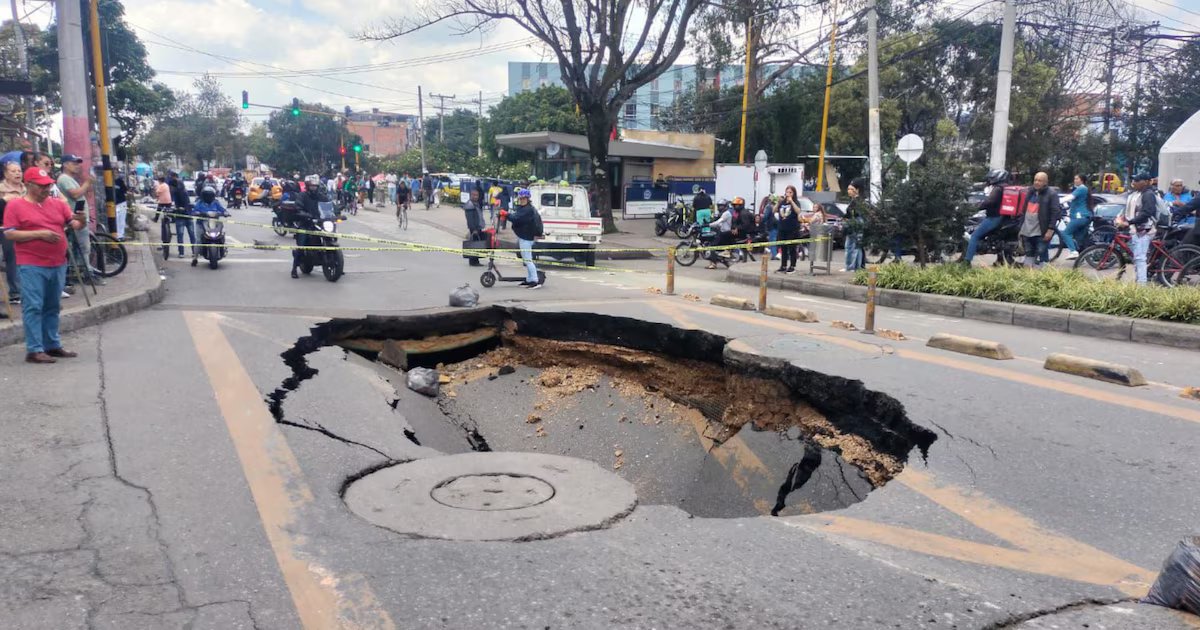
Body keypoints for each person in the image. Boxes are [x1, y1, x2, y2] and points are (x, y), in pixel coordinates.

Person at [3, 166, 86, 363]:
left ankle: (52, 344)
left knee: (53, 305)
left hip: (57, 262)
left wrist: (80, 221)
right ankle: (34, 349)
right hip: (31, 263)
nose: (46, 189)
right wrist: (39, 234)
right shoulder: (15, 206)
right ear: (29, 185)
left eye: (48, 185)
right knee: (33, 306)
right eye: (41, 186)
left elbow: (72, 224)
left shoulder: (58, 204)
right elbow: (10, 233)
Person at [1117, 172, 1158, 285]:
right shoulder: (1135, 194)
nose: (1133, 182)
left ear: (1145, 182)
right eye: (1133, 180)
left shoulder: (1148, 194)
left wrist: (1129, 222)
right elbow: (1129, 210)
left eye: (1136, 180)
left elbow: (1147, 212)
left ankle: (1142, 285)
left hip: (1144, 230)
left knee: (1140, 258)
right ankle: (1139, 280)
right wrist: (1122, 218)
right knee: (1137, 257)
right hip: (1135, 229)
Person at [964, 169, 1010, 265]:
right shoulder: (1004, 187)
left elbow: (990, 202)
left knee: (974, 236)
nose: (990, 179)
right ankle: (1000, 260)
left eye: (992, 177)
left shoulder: (997, 189)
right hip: (1001, 217)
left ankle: (967, 262)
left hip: (994, 217)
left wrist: (978, 206)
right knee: (996, 238)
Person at [56, 155, 93, 274]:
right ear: (65, 164)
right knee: (83, 248)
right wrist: (87, 183)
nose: (77, 166)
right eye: (74, 163)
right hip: (74, 218)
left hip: (80, 218)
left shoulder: (70, 179)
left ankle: (81, 272)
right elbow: (75, 194)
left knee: (81, 248)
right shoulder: (64, 179)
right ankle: (87, 273)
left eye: (78, 163)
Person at [1020, 172, 1060, 269]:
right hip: (1027, 231)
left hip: (1041, 231)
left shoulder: (1051, 194)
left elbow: (1055, 212)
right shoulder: (1030, 192)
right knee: (1028, 255)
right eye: (1035, 180)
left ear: (1045, 182)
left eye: (1040, 180)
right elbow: (1024, 210)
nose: (1037, 182)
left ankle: (1043, 277)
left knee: (1042, 255)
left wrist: (1050, 229)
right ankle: (1028, 277)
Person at [291, 175, 328, 278]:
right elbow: (298, 206)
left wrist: (337, 209)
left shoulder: (321, 196)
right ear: (308, 186)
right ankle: (294, 269)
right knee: (302, 244)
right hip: (306, 223)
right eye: (312, 186)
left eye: (315, 186)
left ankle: (335, 263)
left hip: (319, 222)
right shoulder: (302, 196)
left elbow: (329, 203)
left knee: (331, 235)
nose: (314, 188)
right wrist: (303, 213)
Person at [504, 188, 542, 288]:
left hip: (526, 237)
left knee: (528, 260)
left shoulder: (527, 210)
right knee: (526, 259)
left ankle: (534, 280)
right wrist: (508, 215)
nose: (522, 200)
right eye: (521, 198)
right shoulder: (524, 208)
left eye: (524, 199)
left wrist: (506, 215)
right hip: (524, 236)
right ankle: (529, 279)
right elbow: (516, 216)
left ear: (528, 199)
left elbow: (516, 218)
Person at [1, 159, 25, 305]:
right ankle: (15, 292)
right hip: (5, 228)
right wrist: (5, 200)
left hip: (25, 227)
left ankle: (25, 289)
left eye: (19, 171)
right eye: (13, 171)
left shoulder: (26, 188)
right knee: (12, 259)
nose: (17, 173)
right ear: (5, 174)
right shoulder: (1, 189)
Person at [1061, 174, 1091, 260]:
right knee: (1079, 239)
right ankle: (1082, 255)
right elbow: (1070, 200)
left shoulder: (1082, 188)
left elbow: (1069, 197)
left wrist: (1056, 201)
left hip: (1080, 217)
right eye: (1074, 179)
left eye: (1077, 179)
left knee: (1066, 233)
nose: (1075, 180)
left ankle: (1073, 252)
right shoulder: (1082, 189)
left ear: (1082, 180)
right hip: (1084, 217)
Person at [842, 178, 868, 272]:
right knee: (857, 246)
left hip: (855, 224)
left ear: (857, 190)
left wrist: (846, 217)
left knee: (851, 246)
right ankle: (857, 267)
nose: (849, 191)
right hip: (858, 224)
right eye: (848, 189)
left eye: (851, 189)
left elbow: (853, 213)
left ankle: (851, 267)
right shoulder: (858, 200)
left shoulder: (857, 201)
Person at [168, 171, 194, 257]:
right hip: (186, 214)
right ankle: (191, 251)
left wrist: (179, 208)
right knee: (189, 234)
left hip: (183, 215)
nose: (170, 188)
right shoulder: (179, 189)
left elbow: (184, 203)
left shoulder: (180, 192)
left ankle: (183, 252)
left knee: (183, 234)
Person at [777, 186, 802, 273]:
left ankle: (792, 266)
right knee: (783, 248)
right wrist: (778, 202)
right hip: (782, 228)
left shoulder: (796, 202)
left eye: (790, 192)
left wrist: (791, 202)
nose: (788, 194)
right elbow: (774, 210)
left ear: (793, 193)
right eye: (787, 192)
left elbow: (798, 211)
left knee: (792, 248)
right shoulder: (782, 202)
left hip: (792, 229)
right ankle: (783, 265)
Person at [705, 197, 735, 269]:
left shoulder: (726, 214)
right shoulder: (725, 213)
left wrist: (708, 225)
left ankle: (713, 264)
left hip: (725, 233)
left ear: (725, 206)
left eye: (721, 206)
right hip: (725, 232)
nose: (719, 207)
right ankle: (720, 259)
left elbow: (719, 222)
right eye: (719, 206)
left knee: (712, 246)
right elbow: (720, 224)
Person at [114, 174, 128, 240]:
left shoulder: (120, 181)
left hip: (121, 203)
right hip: (114, 204)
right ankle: (117, 235)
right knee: (116, 220)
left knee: (121, 220)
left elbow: (125, 190)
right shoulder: (107, 181)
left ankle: (121, 235)